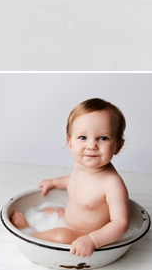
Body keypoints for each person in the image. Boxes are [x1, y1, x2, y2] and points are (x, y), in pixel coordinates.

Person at [10, 98, 131, 258]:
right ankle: (50, 223)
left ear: (117, 146)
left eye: (103, 138)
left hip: (86, 233)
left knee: (61, 236)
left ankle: (30, 232)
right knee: (47, 211)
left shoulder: (112, 184)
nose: (91, 145)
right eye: (82, 137)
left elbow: (120, 223)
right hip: (69, 218)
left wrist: (92, 240)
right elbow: (72, 181)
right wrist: (54, 182)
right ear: (70, 143)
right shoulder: (80, 167)